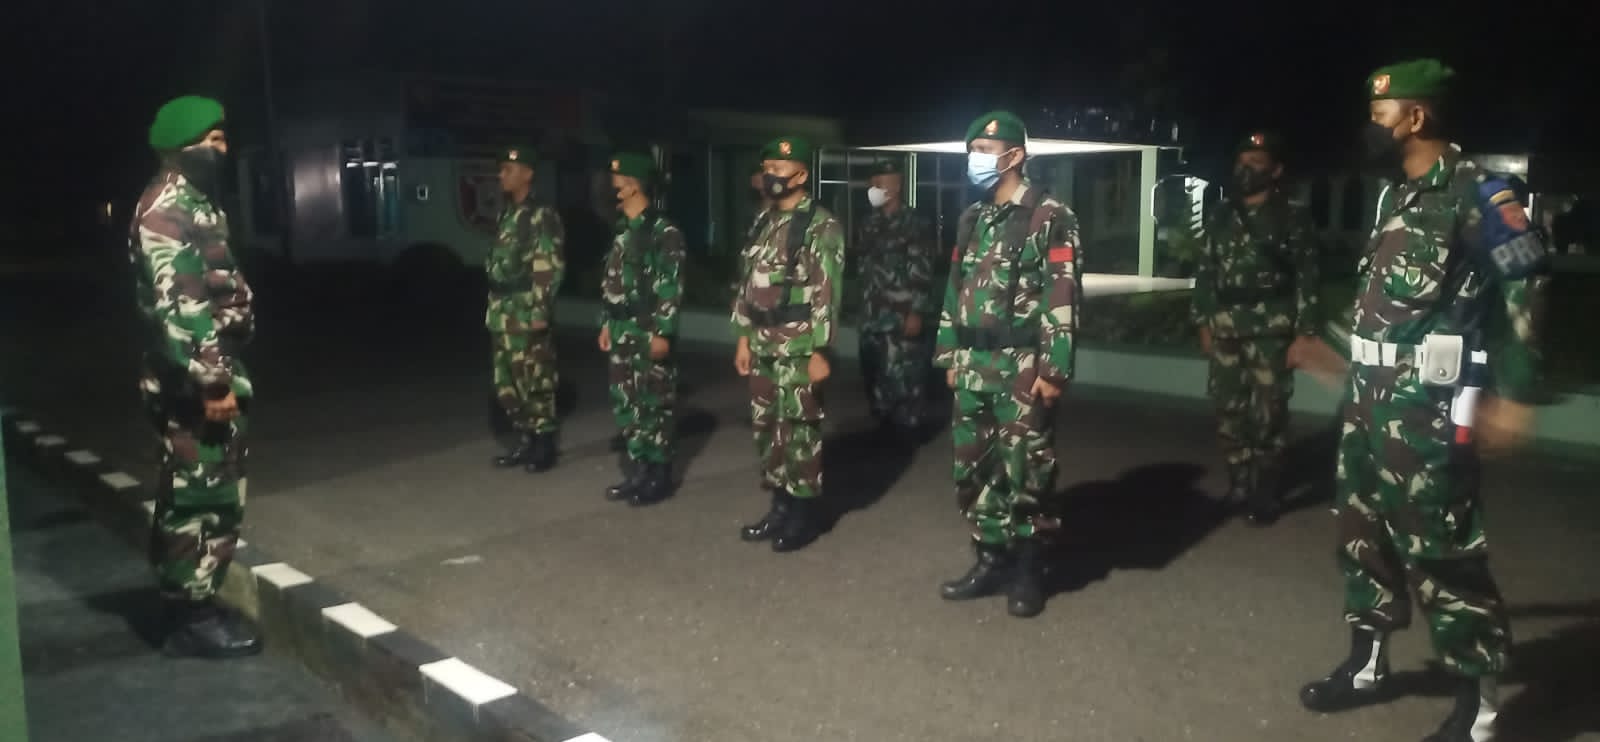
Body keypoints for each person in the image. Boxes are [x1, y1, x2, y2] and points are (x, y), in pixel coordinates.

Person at [1298, 59, 1548, 742]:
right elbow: (1386, 299)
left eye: (1380, 115)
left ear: (1416, 117)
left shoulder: (1480, 192)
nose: (1370, 127)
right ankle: (1367, 665)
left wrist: (1516, 392)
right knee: (1361, 534)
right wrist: (1333, 347)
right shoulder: (1395, 197)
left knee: (1442, 548)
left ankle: (1478, 706)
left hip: (1430, 405)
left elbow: (1526, 282)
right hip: (1368, 397)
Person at [932, 111, 1080, 618]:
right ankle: (990, 558)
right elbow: (955, 290)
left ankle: (1030, 568)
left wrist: (1054, 367)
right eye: (972, 150)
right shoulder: (972, 217)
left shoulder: (1050, 215)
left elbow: (1062, 294)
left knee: (1027, 471)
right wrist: (950, 353)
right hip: (974, 363)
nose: (975, 159)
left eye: (985, 151)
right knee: (973, 467)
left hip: (1022, 367)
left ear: (1015, 155)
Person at [131, 94, 261, 657]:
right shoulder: (165, 209)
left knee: (211, 489)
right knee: (200, 495)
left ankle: (194, 598)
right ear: (181, 146)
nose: (222, 149)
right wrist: (214, 384)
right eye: (213, 140)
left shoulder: (195, 200)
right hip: (193, 380)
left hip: (209, 368)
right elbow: (181, 309)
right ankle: (188, 615)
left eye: (223, 138)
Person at [1187, 130, 1321, 525]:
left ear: (1275, 170)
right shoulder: (1220, 214)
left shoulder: (1292, 214)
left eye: (1257, 163)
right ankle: (1239, 484)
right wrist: (1202, 321)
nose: (1246, 169)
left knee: (1269, 413)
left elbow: (1308, 275)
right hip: (1225, 326)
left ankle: (1265, 491)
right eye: (1242, 161)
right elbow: (1205, 271)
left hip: (1271, 329)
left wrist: (1304, 334)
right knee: (1228, 410)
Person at [732, 136, 845, 552]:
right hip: (763, 344)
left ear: (800, 175)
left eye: (778, 169)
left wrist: (821, 350)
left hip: (798, 347)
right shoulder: (764, 221)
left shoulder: (820, 225)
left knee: (799, 432)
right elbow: (746, 283)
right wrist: (743, 337)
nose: (770, 176)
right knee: (767, 430)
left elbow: (827, 291)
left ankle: (803, 514)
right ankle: (779, 506)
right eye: (767, 169)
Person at [598, 152, 686, 506]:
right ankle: (639, 471)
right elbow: (613, 281)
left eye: (617, 184)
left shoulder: (663, 232)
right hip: (622, 328)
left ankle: (659, 476)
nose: (611, 190)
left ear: (634, 186)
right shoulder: (623, 229)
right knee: (627, 403)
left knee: (654, 405)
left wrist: (663, 332)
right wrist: (607, 323)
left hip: (648, 330)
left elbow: (671, 286)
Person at [486, 145, 566, 473]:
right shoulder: (508, 214)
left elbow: (549, 266)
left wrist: (539, 311)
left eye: (508, 169)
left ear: (528, 174)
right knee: (506, 381)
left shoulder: (540, 215)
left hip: (525, 310)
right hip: (502, 311)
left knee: (535, 378)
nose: (501, 175)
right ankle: (525, 439)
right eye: (501, 169)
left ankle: (543, 443)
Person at [855, 160, 935, 440]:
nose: (873, 188)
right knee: (874, 375)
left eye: (880, 183)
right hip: (872, 315)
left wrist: (917, 312)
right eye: (872, 183)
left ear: (897, 185)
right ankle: (883, 428)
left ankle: (908, 429)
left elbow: (923, 271)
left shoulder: (915, 224)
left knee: (904, 376)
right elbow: (864, 269)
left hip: (901, 316)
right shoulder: (868, 224)